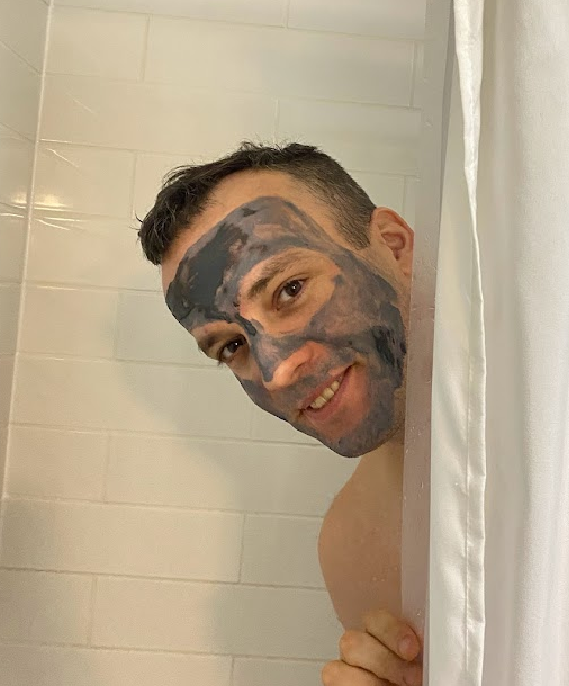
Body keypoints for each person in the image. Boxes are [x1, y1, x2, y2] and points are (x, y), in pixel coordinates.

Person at [138, 142, 424, 686]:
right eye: (232, 346)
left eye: (289, 290)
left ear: (394, 245)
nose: (276, 373)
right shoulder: (351, 546)